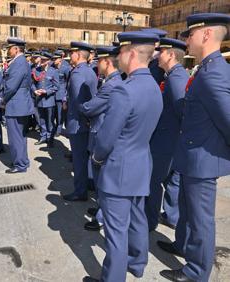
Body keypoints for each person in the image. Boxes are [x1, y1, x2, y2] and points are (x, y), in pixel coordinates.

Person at [85, 31, 163, 282]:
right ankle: (137, 263)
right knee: (137, 220)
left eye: (120, 52)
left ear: (130, 53)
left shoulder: (124, 90)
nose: (117, 57)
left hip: (119, 169)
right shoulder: (152, 84)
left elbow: (107, 137)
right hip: (141, 164)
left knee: (116, 234)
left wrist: (96, 158)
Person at [159, 13, 230, 282]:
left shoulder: (213, 73)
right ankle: (182, 246)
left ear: (207, 35)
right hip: (192, 154)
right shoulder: (207, 68)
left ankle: (197, 272)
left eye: (190, 34)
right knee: (187, 211)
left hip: (203, 157)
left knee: (201, 221)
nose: (186, 39)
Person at [145, 38, 189, 233]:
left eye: (161, 51)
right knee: (171, 181)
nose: (157, 55)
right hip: (169, 138)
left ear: (171, 55)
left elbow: (183, 111)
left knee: (154, 181)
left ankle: (149, 220)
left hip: (166, 140)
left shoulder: (176, 77)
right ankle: (171, 216)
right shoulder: (172, 75)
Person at [79, 45, 123, 232]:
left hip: (101, 137)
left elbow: (90, 108)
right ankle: (101, 209)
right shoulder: (110, 81)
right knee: (99, 182)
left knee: (102, 181)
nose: (97, 65)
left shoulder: (112, 85)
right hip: (98, 132)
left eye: (99, 62)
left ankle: (102, 218)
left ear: (106, 62)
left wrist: (79, 106)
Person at [62, 42, 97, 202]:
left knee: (79, 159)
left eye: (72, 53)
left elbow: (78, 102)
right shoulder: (89, 71)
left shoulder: (77, 73)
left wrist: (84, 119)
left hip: (78, 122)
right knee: (86, 156)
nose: (70, 56)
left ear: (77, 55)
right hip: (86, 122)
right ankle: (88, 183)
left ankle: (80, 191)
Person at [2, 38, 34, 174]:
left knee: (15, 137)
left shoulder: (19, 63)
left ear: (16, 49)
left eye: (10, 48)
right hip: (20, 104)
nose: (8, 50)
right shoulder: (21, 62)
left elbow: (11, 86)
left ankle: (20, 164)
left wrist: (3, 100)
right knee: (20, 135)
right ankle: (21, 160)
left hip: (16, 105)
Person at [31, 51, 59, 147]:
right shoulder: (36, 70)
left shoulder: (53, 71)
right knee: (41, 120)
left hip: (49, 100)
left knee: (50, 121)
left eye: (44, 60)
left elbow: (56, 87)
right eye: (41, 59)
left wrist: (46, 91)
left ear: (48, 61)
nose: (42, 61)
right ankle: (43, 136)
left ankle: (50, 138)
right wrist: (35, 91)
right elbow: (32, 84)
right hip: (39, 99)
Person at [52, 50, 71, 137]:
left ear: (60, 58)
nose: (54, 60)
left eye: (56, 58)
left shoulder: (66, 68)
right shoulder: (52, 67)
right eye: (53, 58)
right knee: (54, 113)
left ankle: (59, 129)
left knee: (60, 114)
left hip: (61, 94)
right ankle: (55, 127)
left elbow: (68, 82)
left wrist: (65, 95)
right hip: (52, 94)